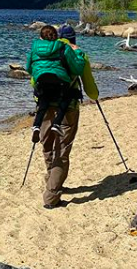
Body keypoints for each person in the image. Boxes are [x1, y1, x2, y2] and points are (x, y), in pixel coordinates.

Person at [25, 24, 95, 209]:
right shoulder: (68, 50)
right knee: (62, 151)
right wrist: (94, 95)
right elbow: (81, 71)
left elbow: (32, 73)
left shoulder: (38, 49)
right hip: (67, 106)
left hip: (44, 103)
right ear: (73, 38)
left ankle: (52, 179)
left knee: (47, 144)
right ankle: (52, 195)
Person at [27, 25, 84, 141]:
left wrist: (38, 71)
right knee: (66, 97)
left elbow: (28, 68)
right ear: (56, 36)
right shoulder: (64, 47)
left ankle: (36, 125)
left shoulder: (34, 48)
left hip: (42, 80)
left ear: (41, 37)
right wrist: (79, 53)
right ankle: (57, 124)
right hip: (59, 80)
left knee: (43, 101)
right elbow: (78, 68)